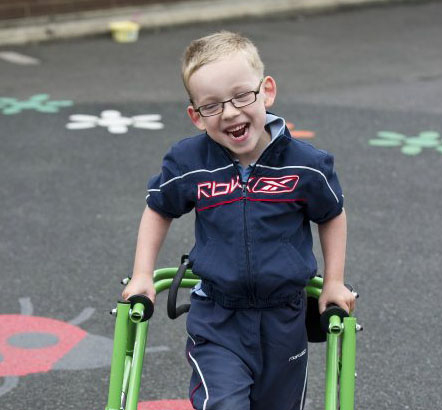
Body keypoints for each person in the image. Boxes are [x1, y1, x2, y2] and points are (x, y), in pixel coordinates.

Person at [122, 31, 355, 410]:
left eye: (242, 96)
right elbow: (158, 208)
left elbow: (332, 214)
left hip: (284, 318)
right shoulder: (189, 162)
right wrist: (143, 274)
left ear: (267, 91)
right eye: (212, 106)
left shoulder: (306, 164)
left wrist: (333, 282)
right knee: (224, 404)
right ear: (196, 117)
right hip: (218, 318)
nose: (230, 112)